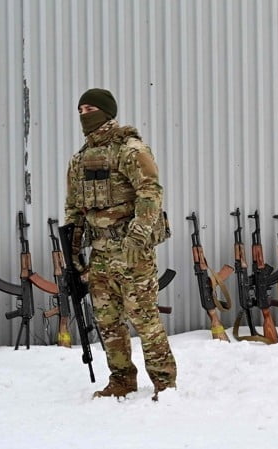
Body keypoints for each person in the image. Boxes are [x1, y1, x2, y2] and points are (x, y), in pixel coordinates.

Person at [64, 88, 176, 400]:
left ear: (106, 111)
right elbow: (74, 209)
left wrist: (138, 236)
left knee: (144, 318)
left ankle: (165, 383)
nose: (85, 115)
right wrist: (73, 253)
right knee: (108, 322)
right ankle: (122, 379)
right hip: (99, 255)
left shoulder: (129, 150)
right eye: (81, 109)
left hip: (131, 253)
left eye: (91, 108)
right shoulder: (79, 160)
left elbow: (150, 192)